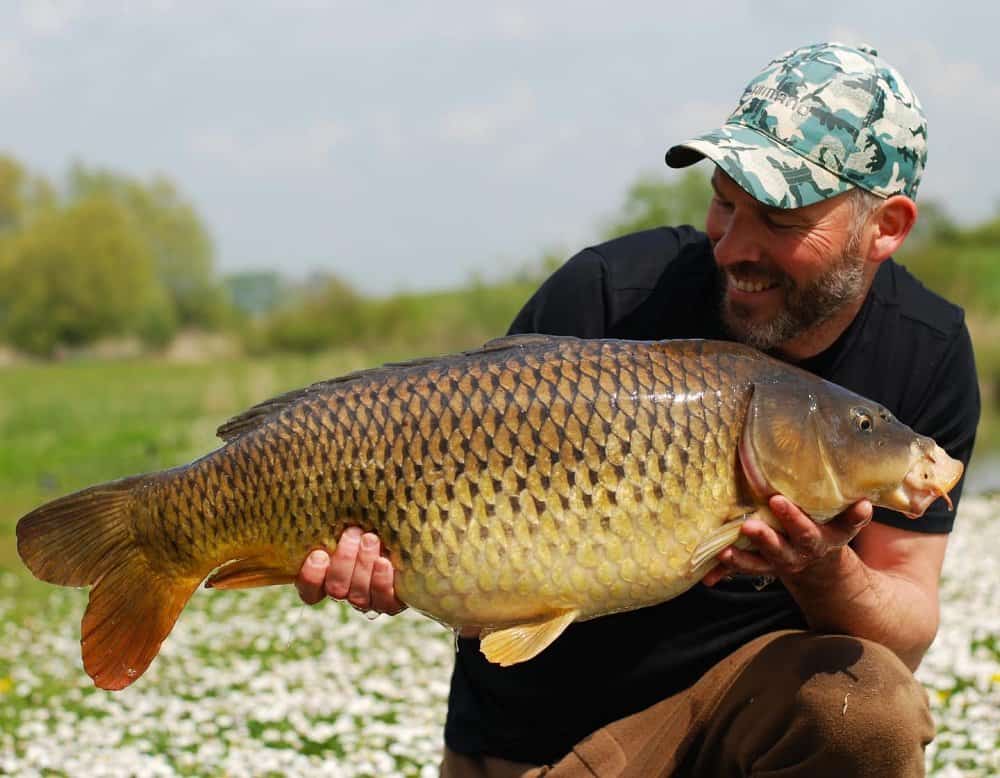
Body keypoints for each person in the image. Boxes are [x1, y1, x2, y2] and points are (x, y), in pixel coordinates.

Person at [296, 42, 980, 777]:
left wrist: (819, 569)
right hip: (550, 733)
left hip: (747, 711)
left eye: (780, 220)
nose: (734, 247)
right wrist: (401, 568)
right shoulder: (606, 295)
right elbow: (468, 567)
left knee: (870, 707)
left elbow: (906, 629)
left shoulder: (925, 353)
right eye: (725, 201)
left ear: (885, 227)